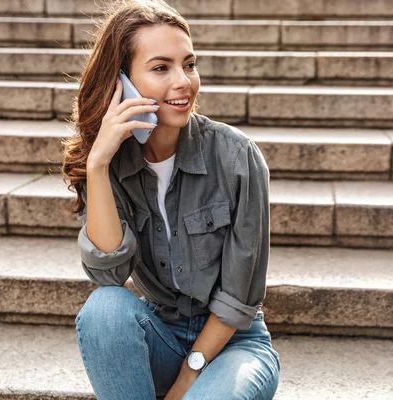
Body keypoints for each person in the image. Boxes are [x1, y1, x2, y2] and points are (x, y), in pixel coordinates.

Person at [61, 0, 280, 398]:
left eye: (189, 64)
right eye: (161, 68)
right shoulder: (111, 165)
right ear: (120, 84)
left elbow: (240, 295)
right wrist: (97, 165)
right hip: (160, 336)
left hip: (234, 346)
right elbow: (109, 274)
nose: (184, 81)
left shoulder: (236, 157)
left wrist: (187, 380)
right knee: (104, 310)